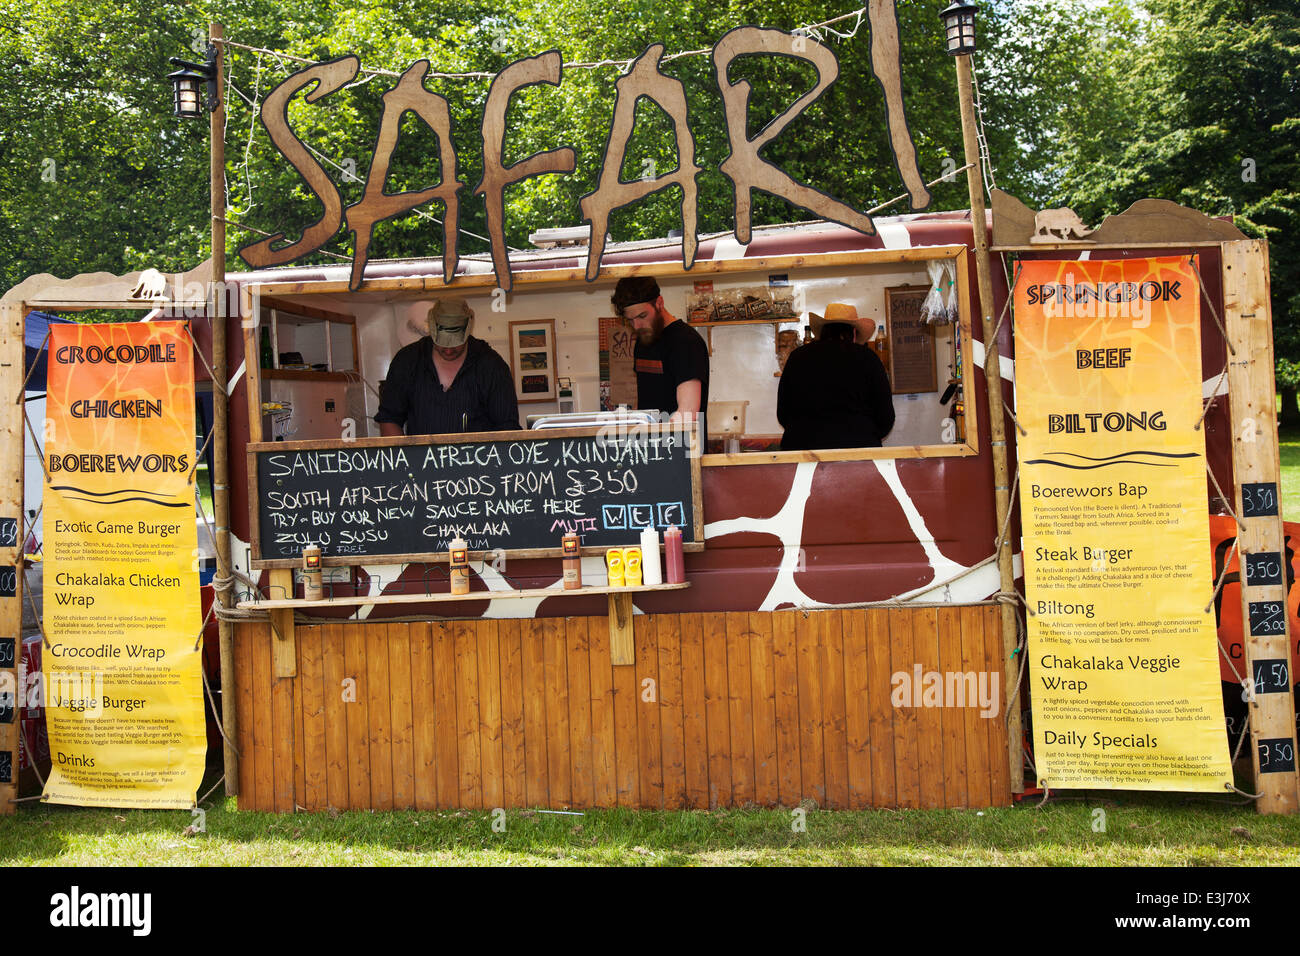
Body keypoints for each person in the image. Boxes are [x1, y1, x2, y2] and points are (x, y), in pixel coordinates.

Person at [375, 297, 520, 436]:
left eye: (456, 343)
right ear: (431, 328)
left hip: (479, 460)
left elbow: (507, 427)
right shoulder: (407, 361)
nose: (449, 350)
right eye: (442, 343)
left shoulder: (492, 366)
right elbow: (389, 418)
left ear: (468, 328)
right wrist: (403, 459)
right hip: (421, 460)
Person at [777, 302, 895, 451]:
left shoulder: (797, 357)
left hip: (803, 449)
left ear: (823, 332)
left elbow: (783, 413)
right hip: (858, 450)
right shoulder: (868, 358)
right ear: (853, 333)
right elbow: (885, 417)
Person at [611, 276, 709, 422]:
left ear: (659, 303)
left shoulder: (685, 341)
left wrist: (661, 440)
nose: (637, 326)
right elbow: (646, 400)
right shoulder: (644, 339)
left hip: (680, 442)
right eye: (630, 320)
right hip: (651, 441)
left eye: (642, 316)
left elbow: (688, 412)